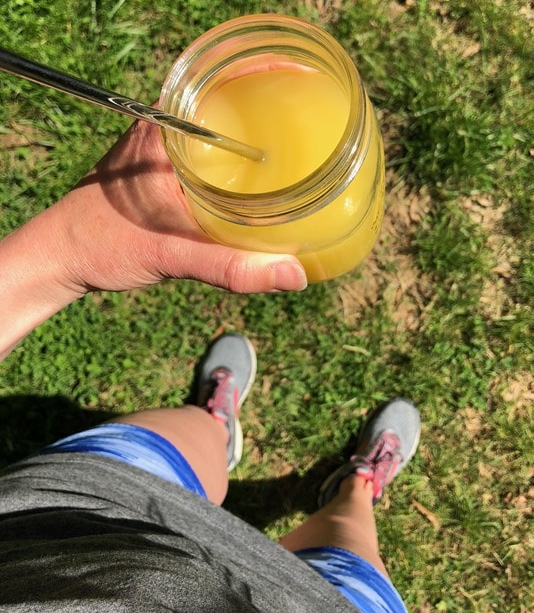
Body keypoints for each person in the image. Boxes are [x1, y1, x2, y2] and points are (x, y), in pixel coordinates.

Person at [0, 118, 421, 611]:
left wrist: (62, 252)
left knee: (171, 443)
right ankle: (356, 487)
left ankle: (214, 425)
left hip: (72, 523)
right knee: (347, 547)